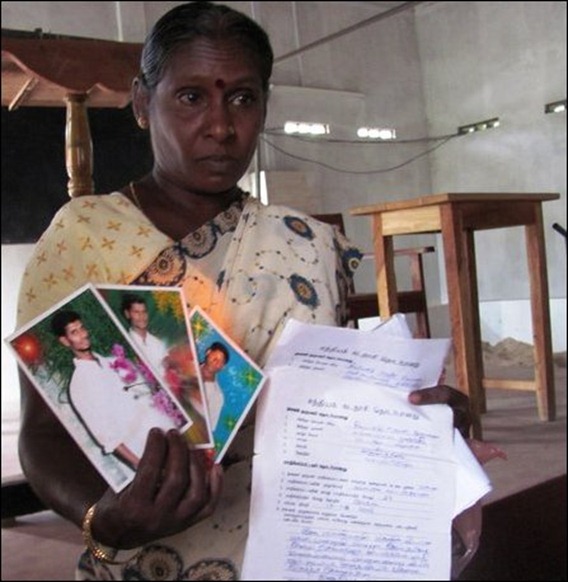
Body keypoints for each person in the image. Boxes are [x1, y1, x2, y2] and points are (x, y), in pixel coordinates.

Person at [16, 2, 473, 579]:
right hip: (138, 561)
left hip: (294, 555)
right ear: (140, 102)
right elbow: (39, 433)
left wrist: (418, 423)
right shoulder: (82, 239)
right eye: (190, 97)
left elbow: (333, 412)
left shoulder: (309, 245)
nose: (221, 126)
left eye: (242, 97)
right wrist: (102, 522)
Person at [51, 309, 181, 471]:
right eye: (75, 332)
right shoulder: (78, 385)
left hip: (165, 428)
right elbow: (105, 435)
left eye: (82, 328)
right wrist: (140, 464)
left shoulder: (114, 362)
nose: (83, 334)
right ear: (65, 341)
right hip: (141, 447)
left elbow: (148, 393)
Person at [121, 293, 169, 381]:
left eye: (144, 312)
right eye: (136, 312)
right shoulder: (126, 345)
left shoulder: (157, 343)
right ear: (127, 314)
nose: (142, 317)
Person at [197, 341, 230, 432]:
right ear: (208, 352)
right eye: (215, 357)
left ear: (223, 367)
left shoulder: (218, 396)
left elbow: (208, 428)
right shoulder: (188, 364)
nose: (216, 362)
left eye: (220, 362)